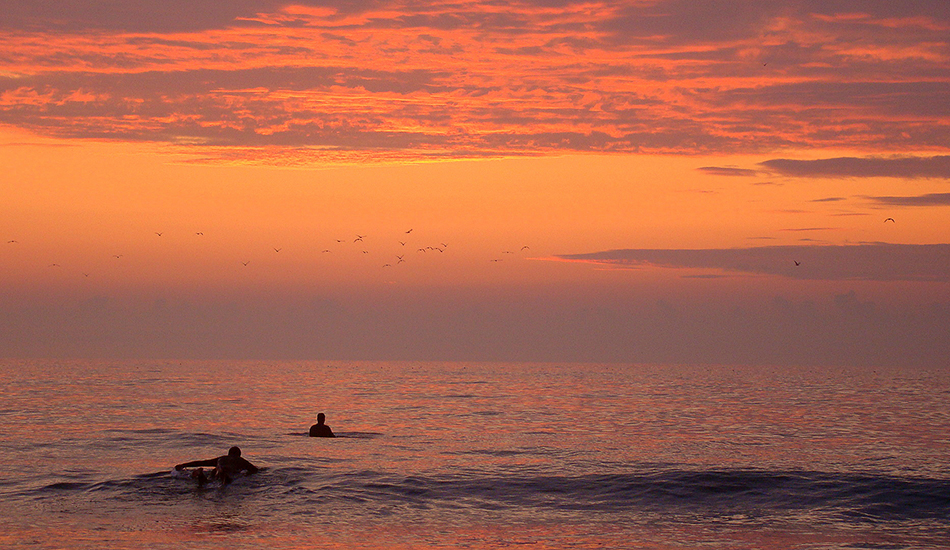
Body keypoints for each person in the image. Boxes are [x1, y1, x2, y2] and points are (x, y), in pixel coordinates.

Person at [175, 446, 259, 485]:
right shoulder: (241, 461)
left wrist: (183, 465)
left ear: (228, 454)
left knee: (208, 481)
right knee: (227, 481)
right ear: (239, 455)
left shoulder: (221, 458)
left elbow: (202, 462)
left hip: (217, 470)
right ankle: (224, 476)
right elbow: (255, 471)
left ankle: (200, 474)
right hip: (229, 472)